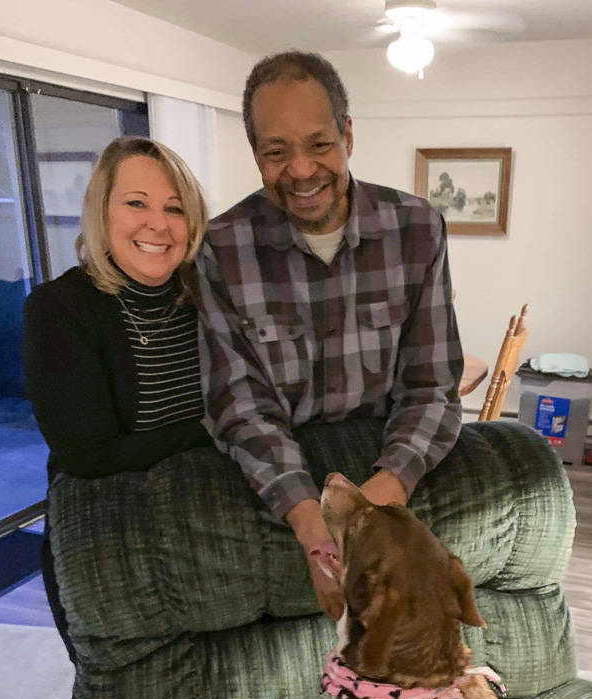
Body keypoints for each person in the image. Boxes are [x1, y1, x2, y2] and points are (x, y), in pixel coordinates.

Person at [196, 51, 463, 619]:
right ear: (256, 155)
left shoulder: (417, 229)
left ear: (346, 135)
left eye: (318, 144)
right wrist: (316, 530)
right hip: (281, 485)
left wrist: (371, 512)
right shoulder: (221, 248)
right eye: (276, 151)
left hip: (388, 466)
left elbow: (432, 387)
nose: (299, 170)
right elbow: (240, 407)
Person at [24, 136, 210, 654]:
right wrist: (210, 431)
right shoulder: (58, 309)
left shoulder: (208, 294)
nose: (158, 224)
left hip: (208, 532)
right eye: (136, 203)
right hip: (107, 543)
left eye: (175, 208)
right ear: (101, 210)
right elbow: (88, 453)